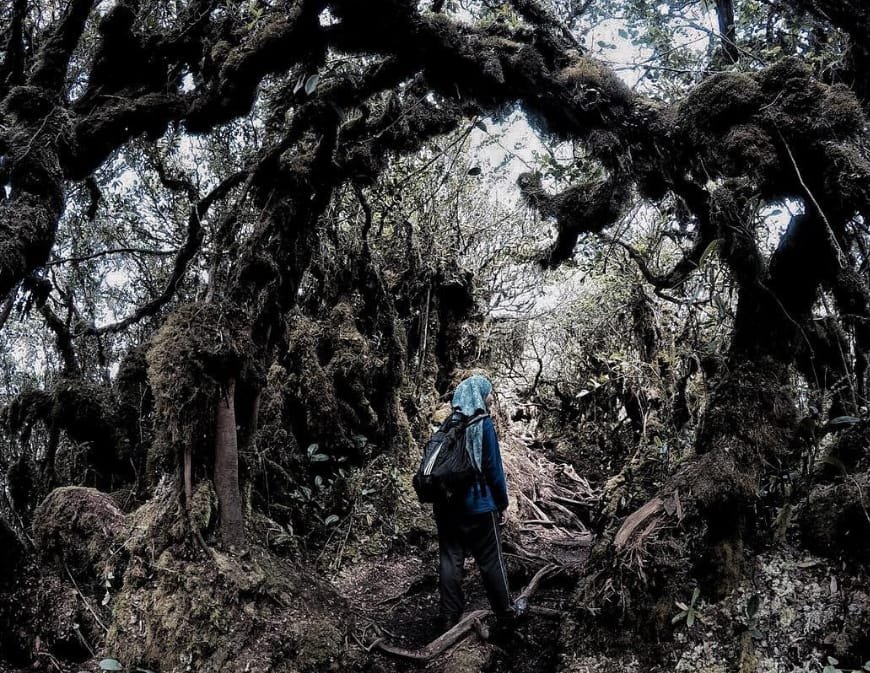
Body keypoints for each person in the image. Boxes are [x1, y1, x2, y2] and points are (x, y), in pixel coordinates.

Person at [433, 374, 515, 631]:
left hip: (446, 507)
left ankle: (449, 617)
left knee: (450, 560)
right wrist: (502, 503)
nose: (490, 398)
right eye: (488, 392)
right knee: (491, 560)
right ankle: (506, 615)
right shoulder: (483, 424)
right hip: (479, 506)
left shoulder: (447, 424)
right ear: (479, 395)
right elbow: (494, 470)